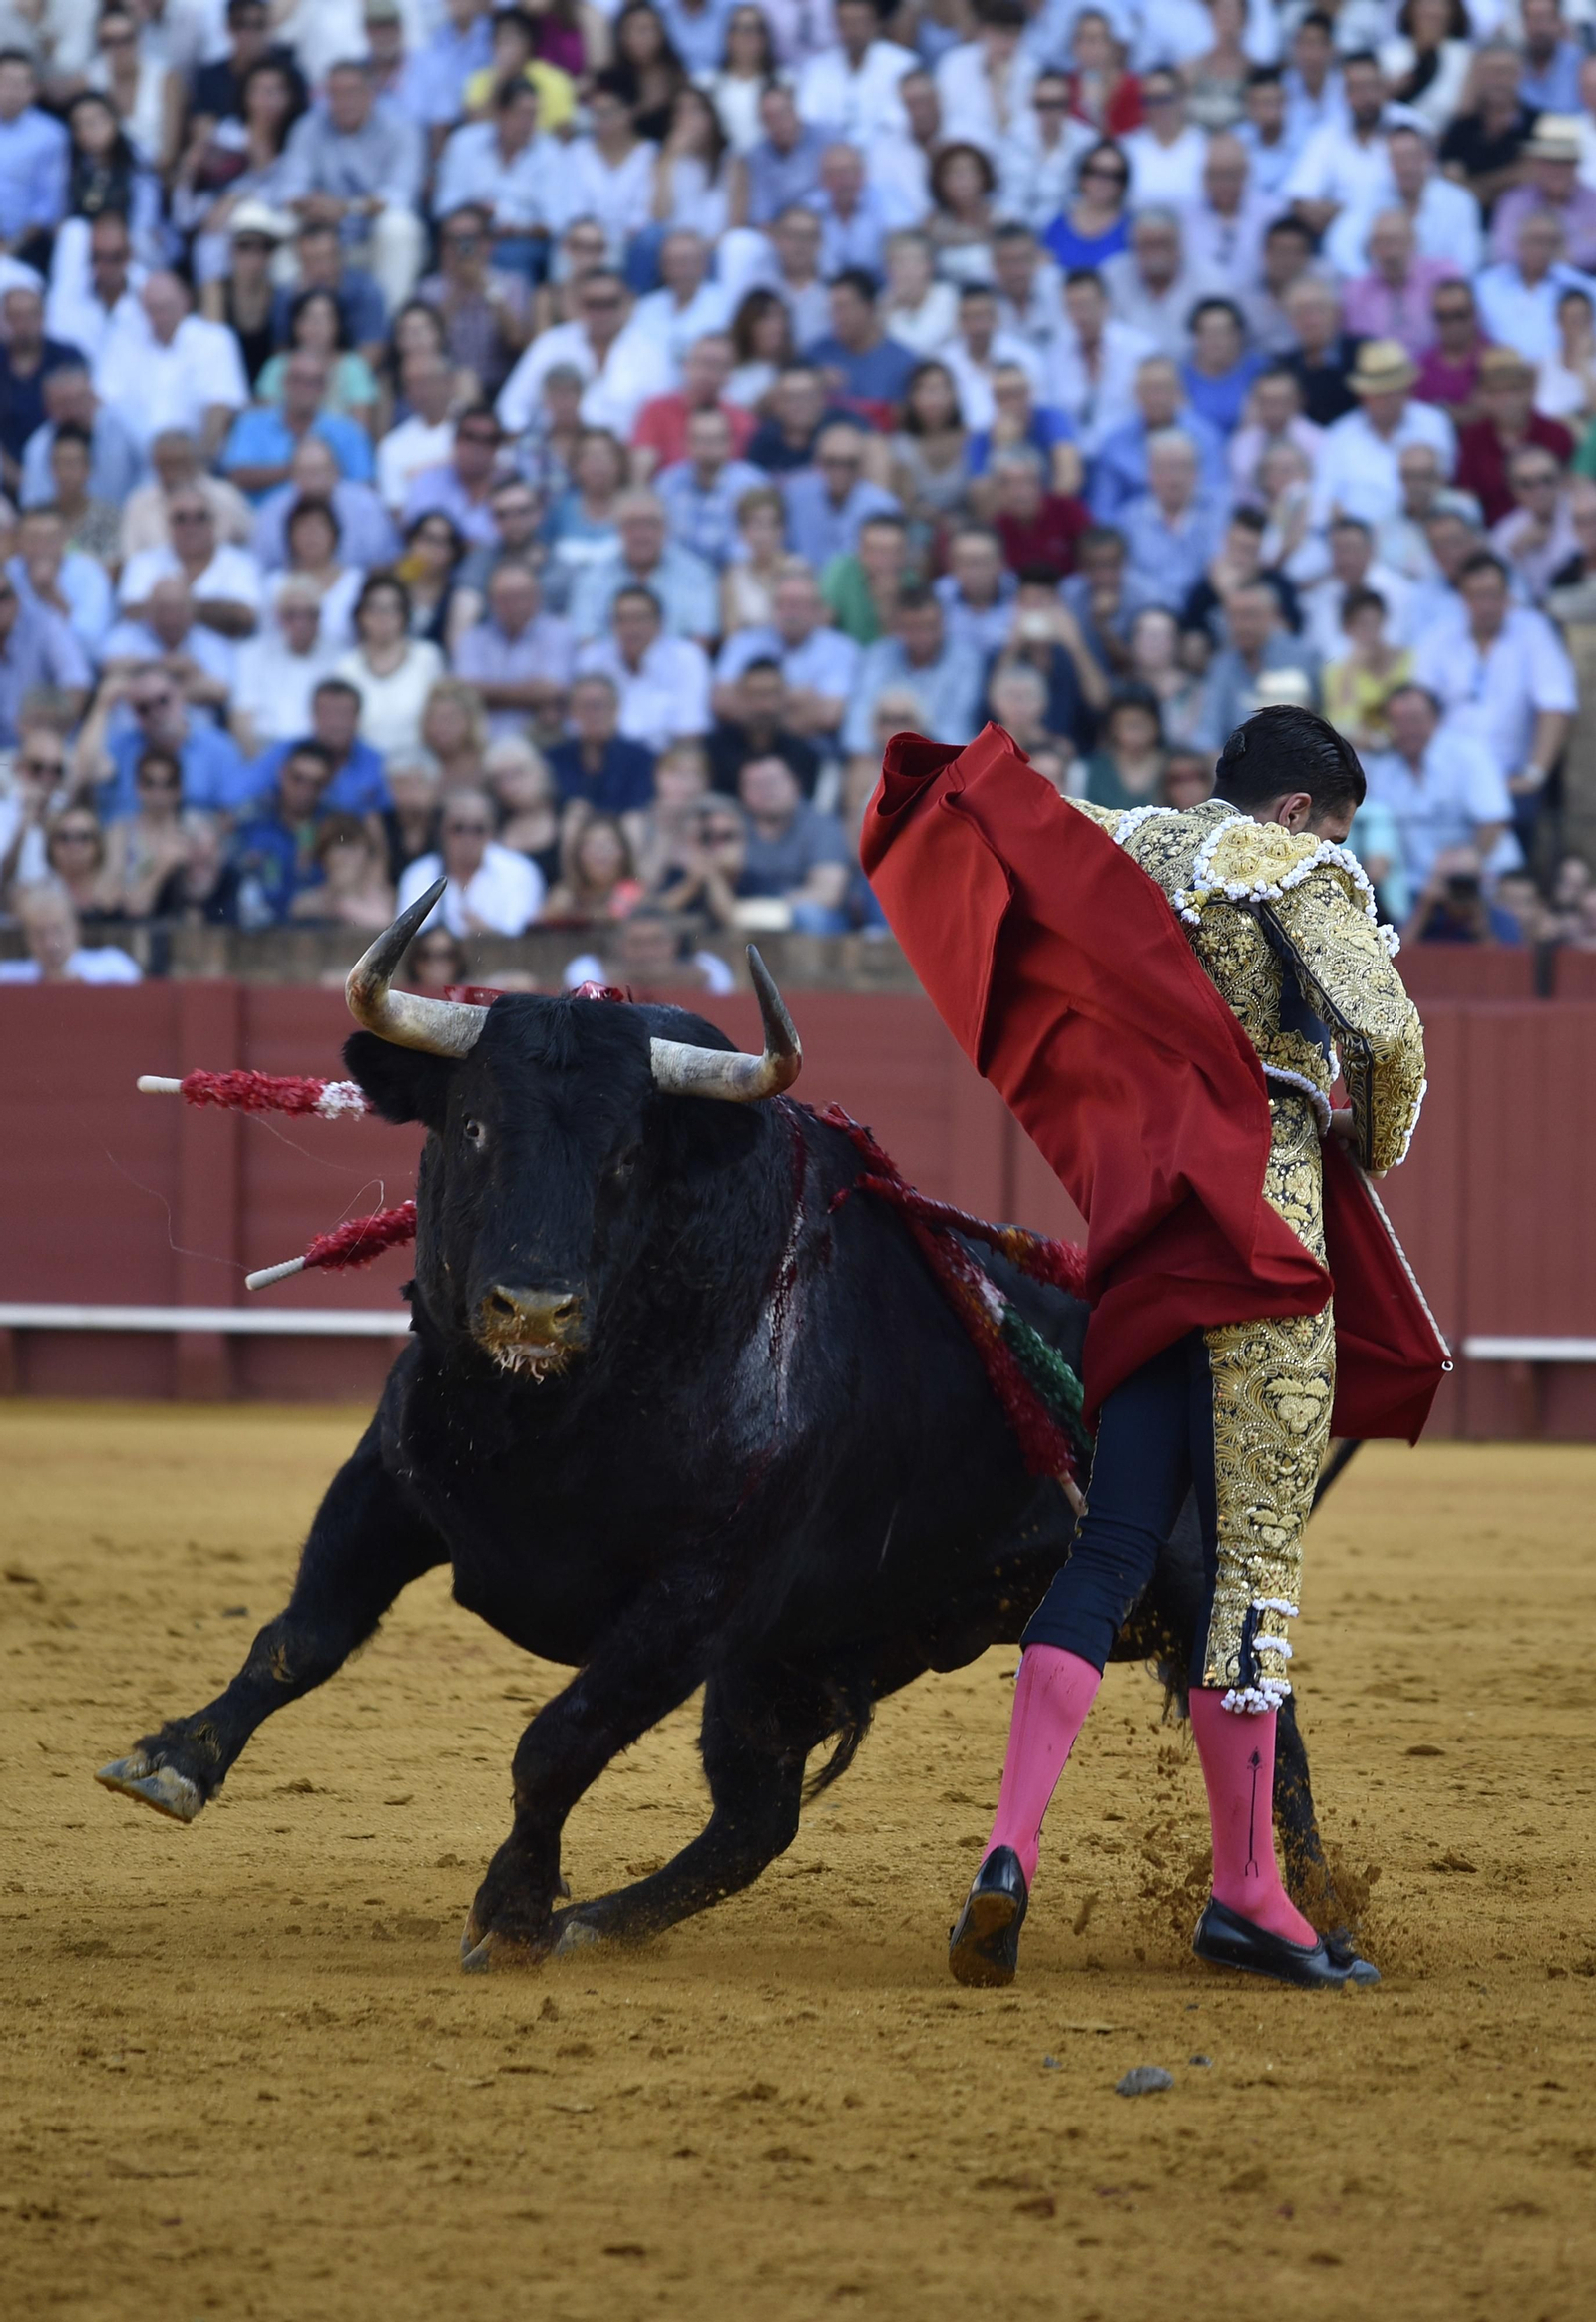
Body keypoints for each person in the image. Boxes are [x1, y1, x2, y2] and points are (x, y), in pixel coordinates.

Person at [863, 706, 1426, 1994]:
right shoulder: (1296, 869)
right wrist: (1369, 1137)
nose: (1341, 850)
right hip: (1265, 1244)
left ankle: (1009, 1850)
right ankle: (1248, 1895)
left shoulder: (1133, 842)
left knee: (1113, 1546)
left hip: (1153, 1233)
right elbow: (1387, 1035)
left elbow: (1009, 823)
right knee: (1248, 1579)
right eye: (1337, 827)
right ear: (1297, 812)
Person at [1362, 682, 1513, 894]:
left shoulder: (1469, 754)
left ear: (1436, 718)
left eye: (1414, 719)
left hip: (1479, 878)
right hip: (1413, 886)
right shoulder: (1381, 769)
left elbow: (1493, 819)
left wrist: (1473, 855)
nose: (1407, 729)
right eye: (1397, 721)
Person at [397, 783, 545, 933]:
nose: (468, 838)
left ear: (492, 831)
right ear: (441, 830)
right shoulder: (418, 874)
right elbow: (408, 934)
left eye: (478, 829)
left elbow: (521, 937)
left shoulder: (520, 871)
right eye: (458, 828)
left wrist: (486, 934)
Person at [333, 573, 446, 759]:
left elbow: (442, 719)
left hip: (420, 764)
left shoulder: (428, 658)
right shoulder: (345, 667)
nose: (383, 617)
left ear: (405, 615)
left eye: (392, 609)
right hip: (364, 765)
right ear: (360, 615)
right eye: (374, 609)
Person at [733, 751, 849, 932]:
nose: (766, 791)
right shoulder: (729, 826)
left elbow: (828, 893)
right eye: (756, 785)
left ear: (795, 783)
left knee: (809, 914)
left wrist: (772, 907)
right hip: (742, 914)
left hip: (805, 918)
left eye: (773, 782)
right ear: (742, 793)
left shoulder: (821, 826)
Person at [547, 669, 656, 813]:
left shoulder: (643, 760)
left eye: (598, 706)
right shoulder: (553, 760)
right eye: (585, 706)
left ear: (616, 709)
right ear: (572, 712)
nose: (592, 715)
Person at [0, 878, 140, 983]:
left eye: (57, 930)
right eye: (39, 933)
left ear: (75, 927)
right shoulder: (8, 978)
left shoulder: (114, 968)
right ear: (26, 936)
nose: (50, 943)